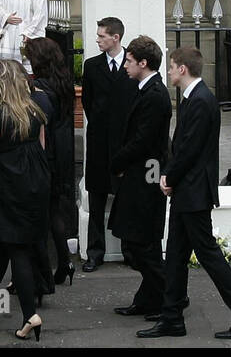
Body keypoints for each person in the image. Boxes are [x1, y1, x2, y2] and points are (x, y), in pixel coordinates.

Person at [139, 47, 231, 340]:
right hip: (187, 190)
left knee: (208, 255)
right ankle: (172, 318)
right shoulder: (192, 99)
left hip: (193, 191)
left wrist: (168, 176)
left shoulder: (201, 101)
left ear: (183, 69)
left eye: (171, 67)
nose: (168, 72)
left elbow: (190, 150)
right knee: (177, 255)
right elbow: (182, 147)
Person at [0, 60, 51, 342]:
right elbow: (41, 147)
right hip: (36, 182)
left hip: (8, 186)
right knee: (3, 245)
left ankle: (30, 316)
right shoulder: (35, 109)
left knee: (17, 249)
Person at [107, 35, 172, 321]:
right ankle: (149, 299)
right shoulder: (146, 89)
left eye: (130, 62)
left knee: (140, 243)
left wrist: (117, 162)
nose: (125, 66)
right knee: (140, 242)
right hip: (141, 172)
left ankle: (168, 297)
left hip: (146, 175)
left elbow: (144, 141)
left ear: (143, 63)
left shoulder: (155, 95)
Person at [80, 16, 138, 272]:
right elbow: (88, 102)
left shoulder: (132, 65)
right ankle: (95, 251)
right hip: (99, 143)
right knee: (96, 198)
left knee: (126, 198)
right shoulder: (92, 66)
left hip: (125, 144)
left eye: (102, 36)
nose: (97, 39)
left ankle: (129, 250)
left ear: (116, 38)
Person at [23, 36, 78, 287]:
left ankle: (41, 271)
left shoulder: (41, 89)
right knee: (54, 210)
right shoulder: (63, 82)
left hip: (47, 154)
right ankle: (64, 262)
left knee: (40, 214)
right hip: (62, 152)